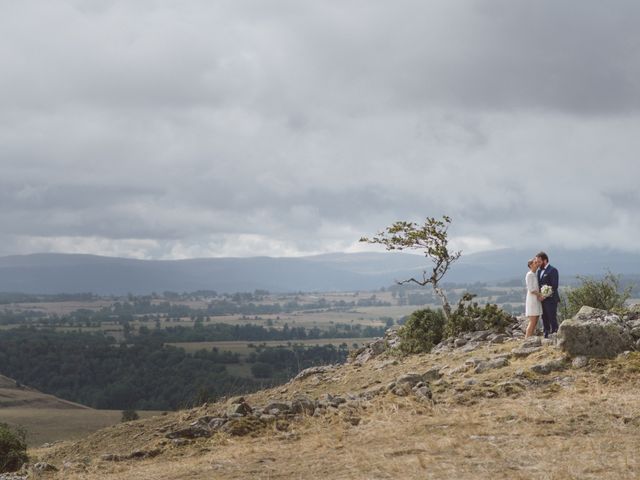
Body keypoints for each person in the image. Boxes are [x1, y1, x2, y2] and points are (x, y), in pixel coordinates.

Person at [536, 251, 559, 338]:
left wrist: (544, 295)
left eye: (539, 262)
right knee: (544, 317)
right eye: (537, 262)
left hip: (551, 299)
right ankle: (546, 333)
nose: (537, 264)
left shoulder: (553, 270)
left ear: (545, 260)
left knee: (552, 317)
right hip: (542, 299)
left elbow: (554, 286)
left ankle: (555, 333)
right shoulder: (539, 271)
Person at [524, 258, 542, 338]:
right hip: (532, 299)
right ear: (531, 265)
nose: (537, 264)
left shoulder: (535, 274)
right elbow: (531, 289)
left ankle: (529, 338)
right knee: (532, 320)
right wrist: (540, 294)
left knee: (536, 320)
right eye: (535, 263)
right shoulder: (529, 274)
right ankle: (527, 339)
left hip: (536, 299)